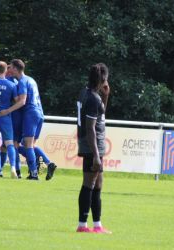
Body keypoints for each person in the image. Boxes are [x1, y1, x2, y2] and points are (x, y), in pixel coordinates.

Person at [0, 59, 57, 181]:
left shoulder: (22, 82)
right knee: (29, 144)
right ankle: (48, 163)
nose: (9, 70)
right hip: (39, 113)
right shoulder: (31, 79)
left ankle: (33, 174)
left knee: (27, 145)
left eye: (11, 67)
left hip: (30, 113)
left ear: (15, 69)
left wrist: (7, 111)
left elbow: (22, 101)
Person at [76, 63, 111, 233]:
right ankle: (82, 225)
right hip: (92, 145)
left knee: (98, 183)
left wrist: (106, 96)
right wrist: (96, 155)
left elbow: (101, 113)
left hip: (95, 144)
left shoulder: (87, 93)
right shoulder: (92, 98)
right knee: (89, 183)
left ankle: (97, 225)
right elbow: (90, 127)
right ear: (103, 78)